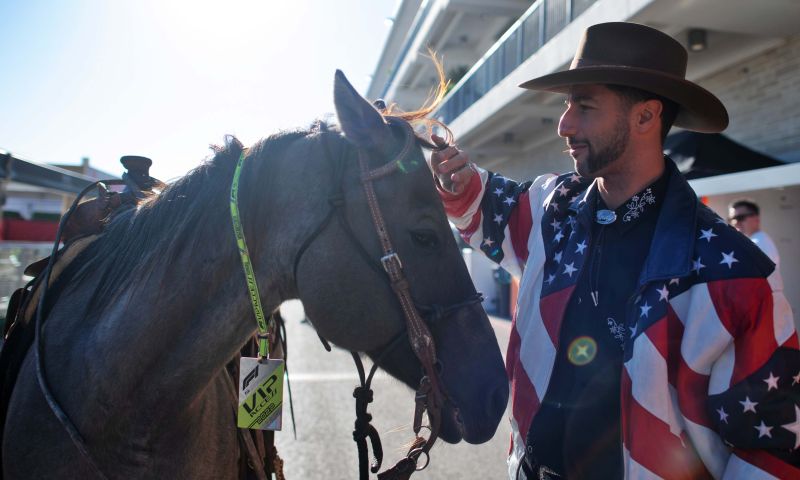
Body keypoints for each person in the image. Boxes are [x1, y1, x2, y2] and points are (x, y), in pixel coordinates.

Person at [429, 22, 798, 479]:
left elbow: (770, 453)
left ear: (646, 117)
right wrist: (453, 176)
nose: (563, 124)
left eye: (584, 106)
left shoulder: (736, 273)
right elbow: (488, 207)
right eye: (567, 105)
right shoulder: (552, 206)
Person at [729, 199, 784, 293]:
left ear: (756, 218)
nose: (736, 222)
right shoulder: (755, 241)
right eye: (732, 219)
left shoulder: (759, 243)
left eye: (740, 217)